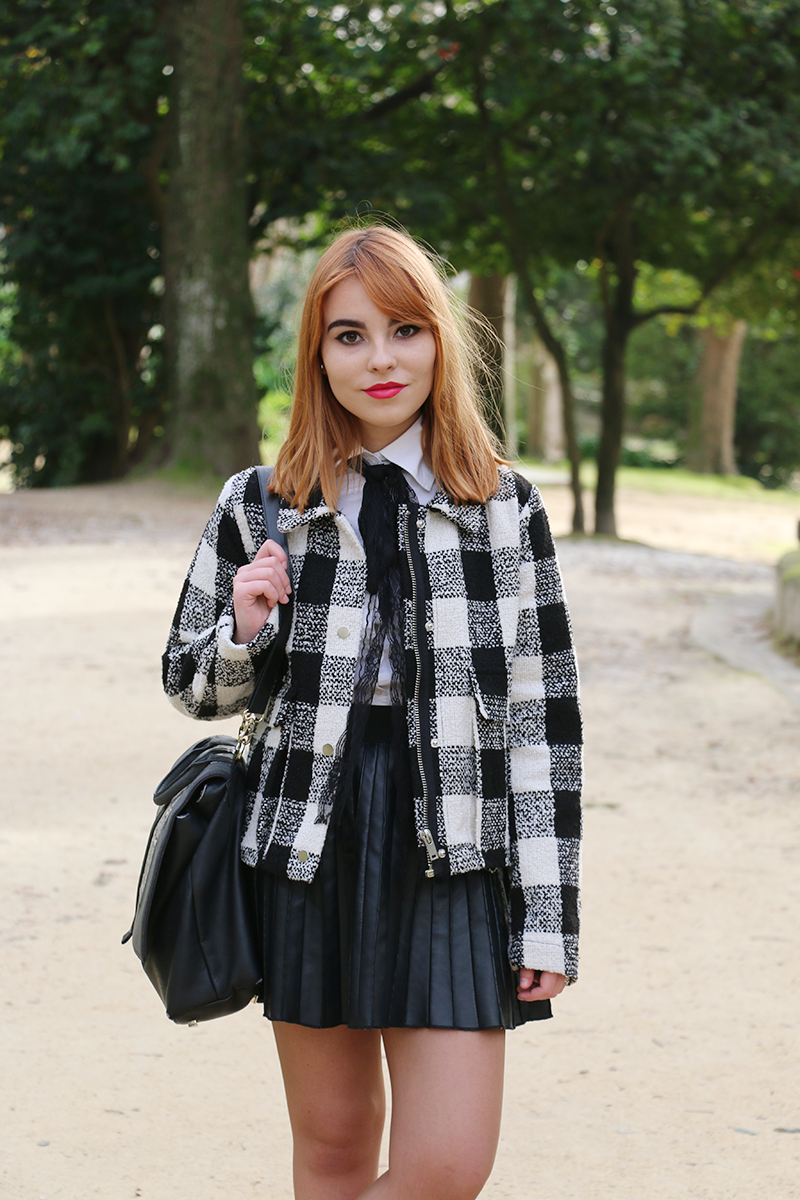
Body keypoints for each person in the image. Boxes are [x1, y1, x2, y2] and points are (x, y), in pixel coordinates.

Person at [163, 224, 582, 1200]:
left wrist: (548, 917)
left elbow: (542, 724)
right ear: (317, 354)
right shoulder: (262, 503)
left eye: (404, 330)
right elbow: (191, 686)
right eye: (349, 336)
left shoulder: (503, 509)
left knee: (447, 1165)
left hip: (456, 843)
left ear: (440, 339)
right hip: (310, 837)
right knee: (334, 1149)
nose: (380, 359)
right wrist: (245, 625)